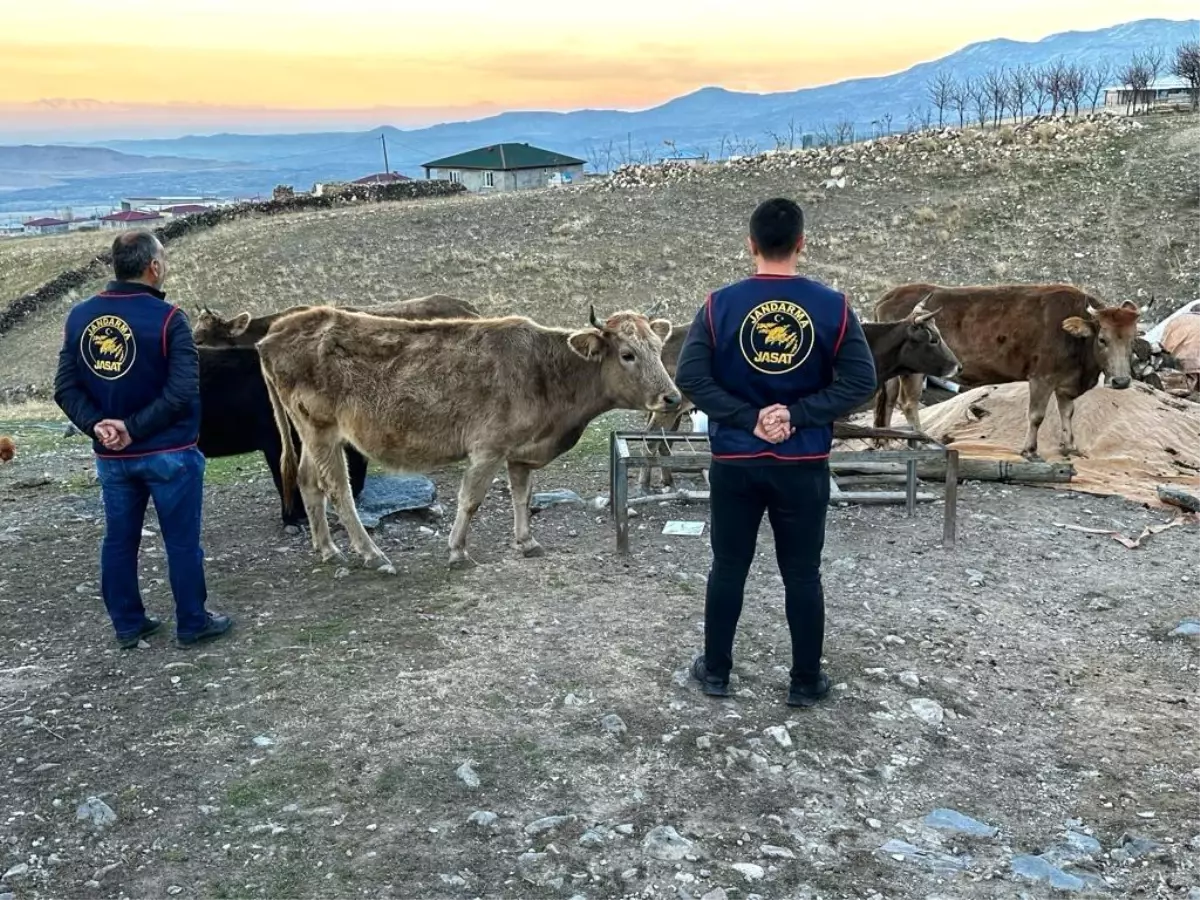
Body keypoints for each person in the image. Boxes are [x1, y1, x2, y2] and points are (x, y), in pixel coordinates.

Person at [675, 198, 877, 707]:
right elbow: (861, 380)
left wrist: (748, 419)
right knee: (803, 573)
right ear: (801, 243)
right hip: (802, 465)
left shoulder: (719, 306)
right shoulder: (834, 307)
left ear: (751, 244)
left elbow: (690, 376)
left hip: (736, 463)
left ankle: (716, 673)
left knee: (728, 566)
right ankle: (805, 682)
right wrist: (798, 415)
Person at [53, 230, 232, 649]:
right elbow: (182, 391)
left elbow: (65, 388)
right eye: (162, 258)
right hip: (170, 453)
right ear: (153, 267)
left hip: (112, 458)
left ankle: (128, 624)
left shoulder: (80, 317)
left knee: (119, 540)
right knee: (182, 543)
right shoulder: (170, 320)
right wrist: (132, 428)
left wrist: (98, 426)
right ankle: (193, 622)